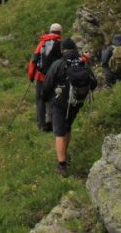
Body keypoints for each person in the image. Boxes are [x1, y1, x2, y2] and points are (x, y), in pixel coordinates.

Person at [42, 38, 98, 177]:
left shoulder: (59, 64)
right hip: (76, 102)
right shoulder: (82, 62)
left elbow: (47, 84)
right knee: (67, 127)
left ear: (63, 50)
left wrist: (44, 97)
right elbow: (94, 83)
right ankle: (65, 156)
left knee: (59, 132)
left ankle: (62, 166)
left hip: (60, 102)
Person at [27, 24, 63, 131]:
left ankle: (41, 125)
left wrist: (31, 76)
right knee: (53, 99)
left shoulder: (42, 43)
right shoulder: (61, 44)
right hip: (54, 78)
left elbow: (34, 60)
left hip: (41, 77)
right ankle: (51, 123)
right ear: (60, 33)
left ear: (50, 31)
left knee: (40, 100)